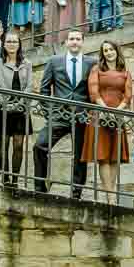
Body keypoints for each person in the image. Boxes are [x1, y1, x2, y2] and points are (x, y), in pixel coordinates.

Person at [34, 28, 95, 197]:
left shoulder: (92, 63)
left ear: (82, 42)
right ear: (66, 42)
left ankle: (76, 192)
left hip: (82, 116)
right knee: (40, 145)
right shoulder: (54, 61)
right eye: (71, 39)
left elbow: (94, 90)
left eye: (77, 39)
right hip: (59, 116)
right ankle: (39, 187)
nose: (74, 42)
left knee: (79, 156)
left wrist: (89, 112)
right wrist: (49, 112)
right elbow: (44, 88)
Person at [82, 40, 133, 202]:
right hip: (99, 114)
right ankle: (110, 196)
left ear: (117, 51)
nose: (109, 52)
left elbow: (128, 94)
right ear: (102, 54)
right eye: (105, 50)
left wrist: (117, 110)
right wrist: (105, 109)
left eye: (111, 49)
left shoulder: (124, 71)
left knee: (114, 156)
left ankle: (111, 193)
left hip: (117, 115)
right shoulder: (97, 69)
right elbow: (93, 92)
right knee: (103, 155)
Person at [0, 30, 32, 186]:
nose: (12, 45)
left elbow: (29, 87)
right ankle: (4, 177)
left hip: (20, 110)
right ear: (4, 45)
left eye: (15, 42)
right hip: (1, 109)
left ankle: (15, 179)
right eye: (9, 42)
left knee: (18, 145)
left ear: (19, 45)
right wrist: (4, 104)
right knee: (2, 146)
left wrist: (19, 105)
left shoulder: (27, 64)